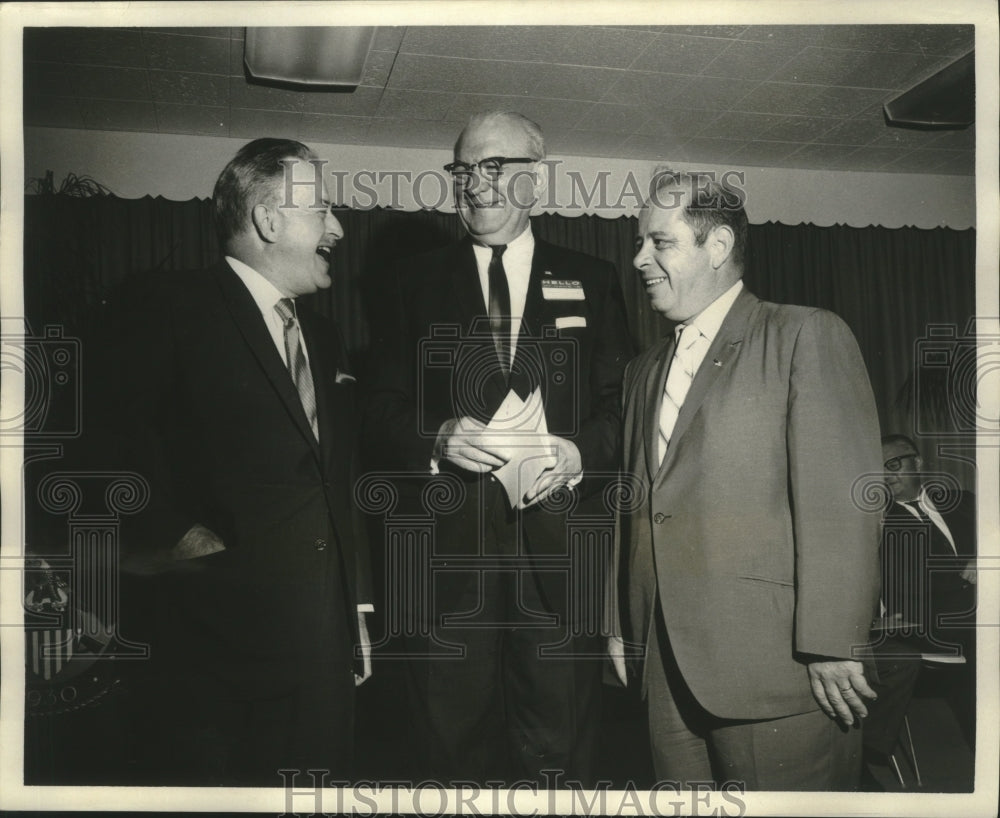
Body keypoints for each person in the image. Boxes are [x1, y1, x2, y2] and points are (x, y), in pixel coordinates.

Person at [364, 110, 633, 785]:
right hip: (443, 564)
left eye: (493, 166)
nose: (474, 183)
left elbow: (621, 406)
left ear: (535, 180)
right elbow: (376, 407)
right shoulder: (409, 281)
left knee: (560, 753)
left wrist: (580, 454)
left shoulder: (593, 278)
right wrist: (437, 436)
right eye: (462, 170)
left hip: (560, 563)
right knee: (446, 753)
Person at [92, 138, 372, 785]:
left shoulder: (323, 335)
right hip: (213, 649)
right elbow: (98, 446)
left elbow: (338, 484)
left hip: (323, 650)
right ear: (269, 220)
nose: (338, 228)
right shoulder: (166, 305)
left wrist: (356, 612)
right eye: (322, 210)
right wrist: (180, 538)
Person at [615, 170, 883, 790]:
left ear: (717, 246)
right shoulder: (642, 370)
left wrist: (832, 641)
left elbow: (842, 502)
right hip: (662, 665)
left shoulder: (803, 334)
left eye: (659, 242)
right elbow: (636, 507)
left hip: (779, 668)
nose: (639, 260)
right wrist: (620, 626)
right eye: (640, 243)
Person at [864, 433, 976, 755]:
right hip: (924, 623)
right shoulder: (876, 523)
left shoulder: (964, 501)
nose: (885, 475)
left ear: (918, 462)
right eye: (877, 469)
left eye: (893, 464)